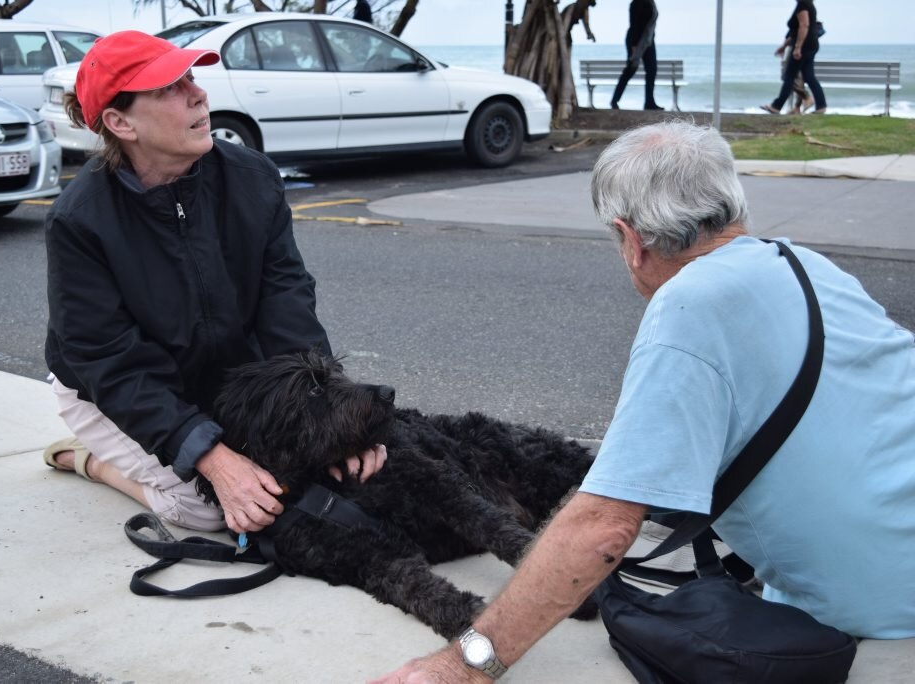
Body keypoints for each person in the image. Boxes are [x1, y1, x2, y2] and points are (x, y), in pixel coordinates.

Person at [371, 121, 915, 682]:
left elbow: (603, 528)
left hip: (876, 605)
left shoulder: (689, 308)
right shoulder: (804, 264)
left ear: (630, 239)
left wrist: (463, 663)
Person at [42, 30, 386, 534]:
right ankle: (88, 459)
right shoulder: (80, 221)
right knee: (211, 509)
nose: (197, 94)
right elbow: (108, 360)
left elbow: (286, 302)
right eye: (168, 89)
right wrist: (210, 457)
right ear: (120, 122)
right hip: (108, 390)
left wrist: (331, 414)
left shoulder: (253, 178)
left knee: (308, 476)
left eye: (191, 78)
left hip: (223, 376)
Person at [761, 1, 826, 114]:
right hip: (811, 44)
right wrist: (784, 46)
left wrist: (798, 47)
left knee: (789, 76)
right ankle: (821, 106)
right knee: (809, 76)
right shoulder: (808, 4)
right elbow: (796, 31)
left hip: (805, 46)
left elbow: (804, 25)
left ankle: (777, 106)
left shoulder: (803, 5)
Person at [610, 0, 662, 110]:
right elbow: (634, 25)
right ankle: (614, 100)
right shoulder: (636, 3)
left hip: (648, 41)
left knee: (652, 70)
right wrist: (634, 47)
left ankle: (649, 102)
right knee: (630, 70)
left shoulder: (651, 3)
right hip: (635, 41)